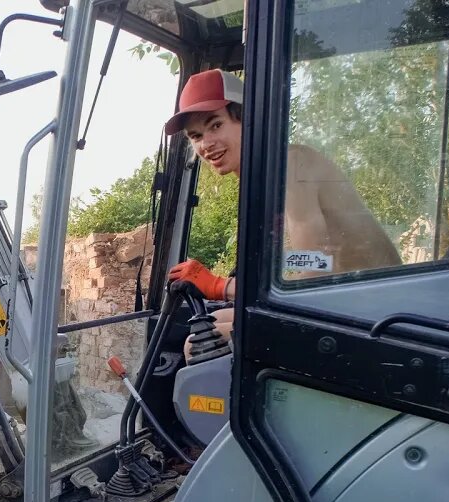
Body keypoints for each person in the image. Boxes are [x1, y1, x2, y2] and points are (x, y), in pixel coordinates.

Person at [162, 69, 402, 345]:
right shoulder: (261, 181)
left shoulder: (290, 166)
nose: (206, 144)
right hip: (342, 304)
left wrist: (218, 286)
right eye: (196, 135)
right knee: (208, 325)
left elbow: (313, 271)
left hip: (372, 314)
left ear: (247, 118)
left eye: (215, 125)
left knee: (199, 343)